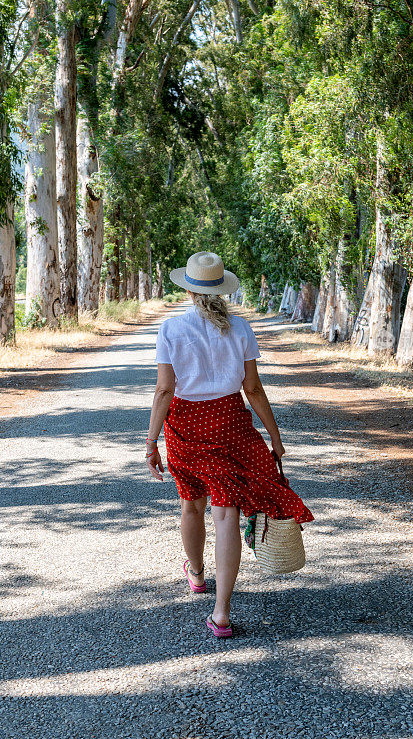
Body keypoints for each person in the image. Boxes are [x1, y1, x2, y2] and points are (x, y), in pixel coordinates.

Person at [146, 251, 314, 638]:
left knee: (190, 502)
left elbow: (164, 390)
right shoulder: (239, 328)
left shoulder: (171, 330)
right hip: (231, 425)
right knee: (226, 515)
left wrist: (151, 442)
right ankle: (221, 613)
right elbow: (252, 388)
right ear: (221, 288)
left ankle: (197, 574)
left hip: (186, 426)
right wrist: (273, 434)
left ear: (189, 289)